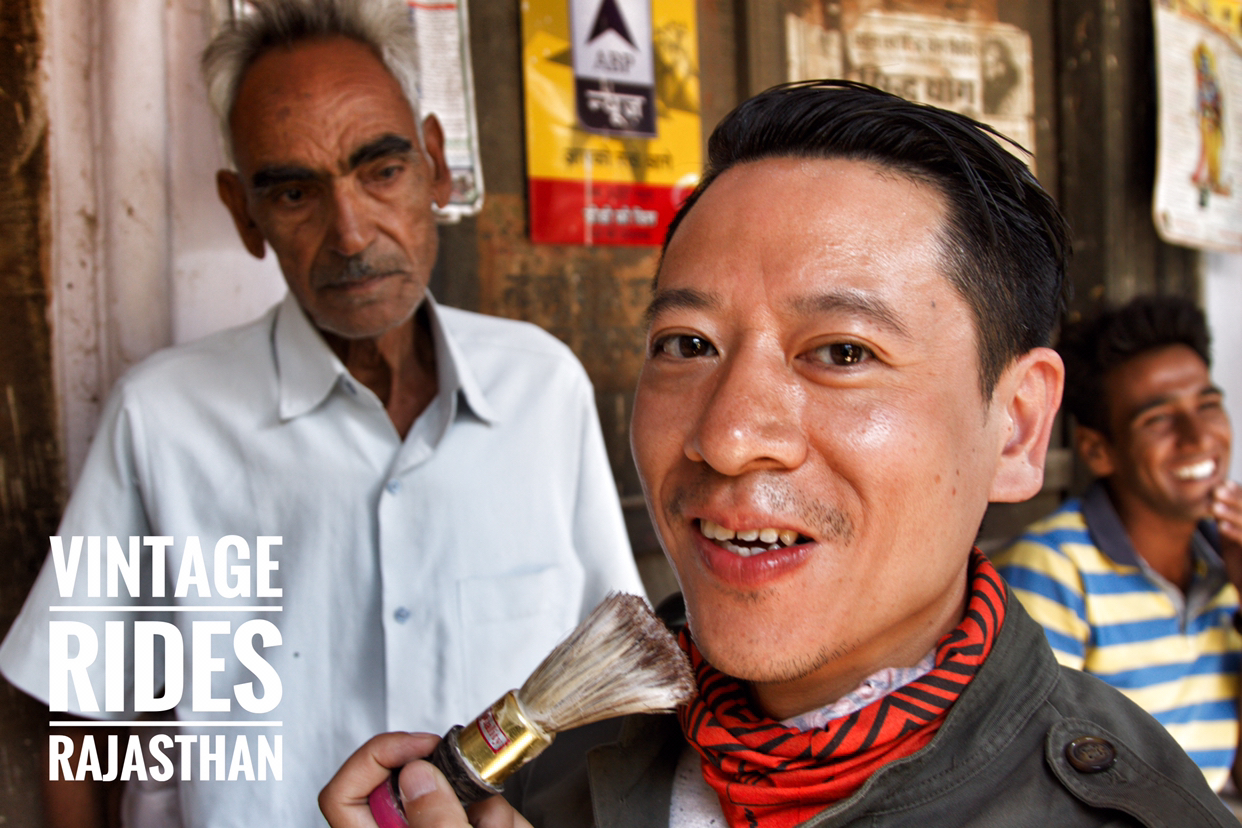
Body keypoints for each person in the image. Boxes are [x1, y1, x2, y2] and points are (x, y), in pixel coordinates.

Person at [318, 81, 1238, 827]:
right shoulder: (546, 778)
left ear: (1019, 427)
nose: (726, 437)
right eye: (688, 344)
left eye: (842, 352)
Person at [0, 0, 644, 825]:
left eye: (382, 171)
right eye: (296, 191)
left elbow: (618, 670)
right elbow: (81, 713)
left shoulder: (543, 389)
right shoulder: (160, 419)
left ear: (436, 167)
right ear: (244, 213)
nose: (349, 233)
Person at [994, 295, 1242, 792]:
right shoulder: (1054, 570)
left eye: (1208, 405)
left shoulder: (1223, 567)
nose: (1198, 438)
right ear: (1097, 450)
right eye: (1158, 419)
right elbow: (1030, 786)